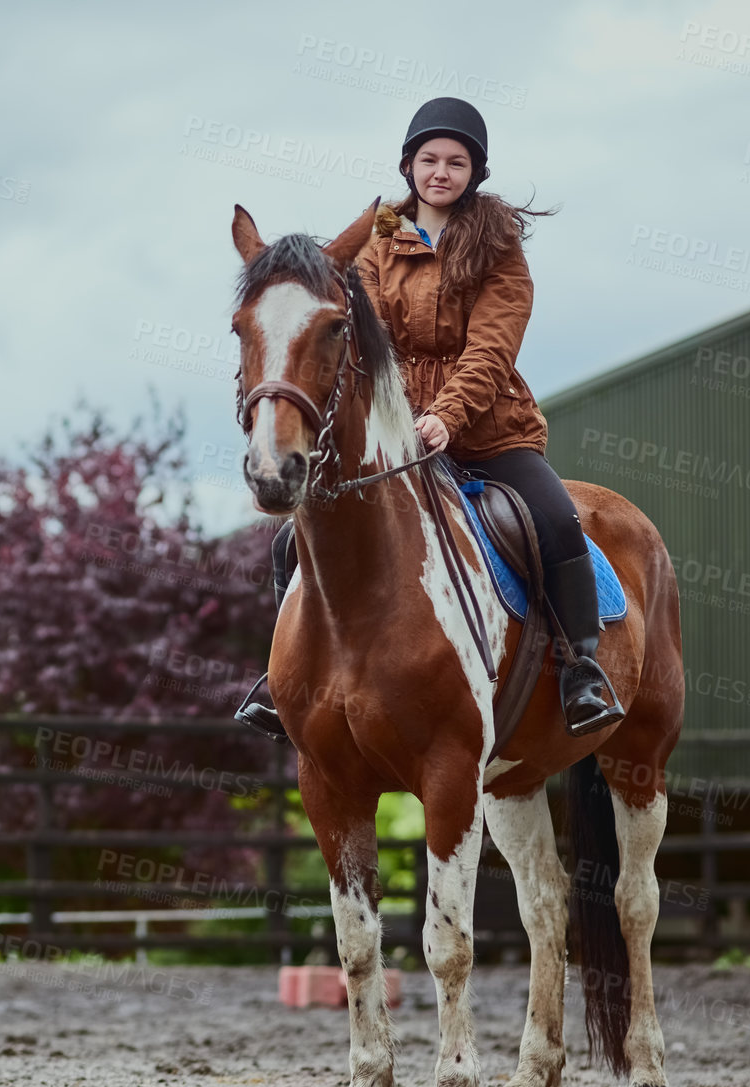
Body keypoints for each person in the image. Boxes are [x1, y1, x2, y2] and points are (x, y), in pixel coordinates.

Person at [237, 96, 625, 743]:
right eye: (428, 160)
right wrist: (388, 421)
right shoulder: (375, 246)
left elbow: (492, 349)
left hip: (490, 431)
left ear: (474, 171)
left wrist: (446, 415)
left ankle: (580, 670)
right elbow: (360, 340)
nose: (440, 172)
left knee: (554, 518)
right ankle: (286, 684)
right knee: (289, 539)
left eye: (455, 161)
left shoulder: (500, 248)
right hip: (399, 435)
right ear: (408, 166)